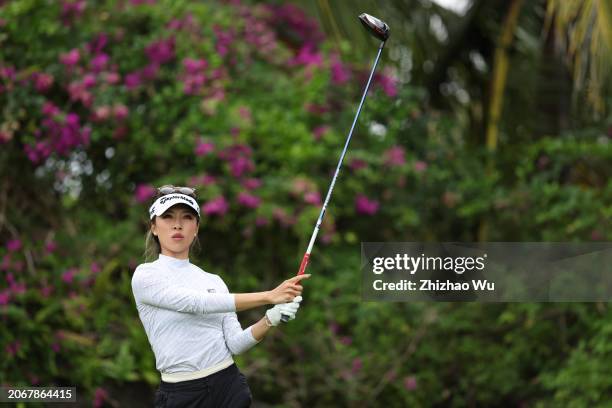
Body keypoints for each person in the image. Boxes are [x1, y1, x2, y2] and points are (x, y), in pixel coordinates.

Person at [131, 185, 310, 408]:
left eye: (187, 217)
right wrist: (269, 296)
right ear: (154, 227)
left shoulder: (213, 281)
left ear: (196, 228)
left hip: (228, 386)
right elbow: (195, 303)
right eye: (167, 217)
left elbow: (235, 344)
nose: (177, 224)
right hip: (181, 395)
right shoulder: (145, 275)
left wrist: (270, 319)